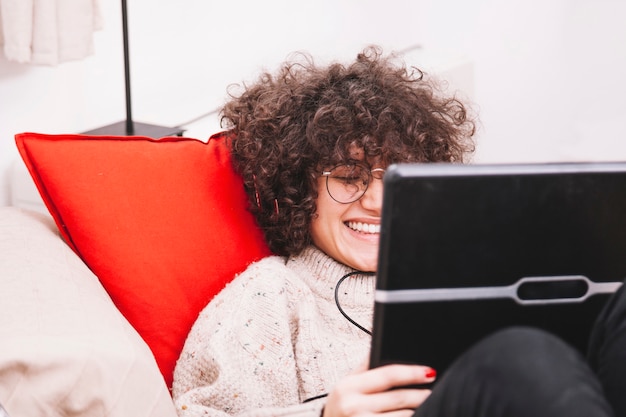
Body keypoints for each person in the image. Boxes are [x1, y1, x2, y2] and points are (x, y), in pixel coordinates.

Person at [172, 46, 625, 417]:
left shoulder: (470, 273)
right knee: (521, 356)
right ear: (298, 186)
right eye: (349, 177)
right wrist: (325, 416)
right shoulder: (268, 295)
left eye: (396, 179)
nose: (377, 201)